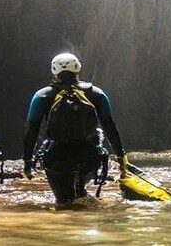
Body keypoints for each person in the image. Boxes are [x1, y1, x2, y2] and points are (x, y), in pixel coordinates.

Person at [22, 52, 126, 208]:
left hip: (57, 158)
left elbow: (32, 130)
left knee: (64, 203)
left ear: (54, 71)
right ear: (78, 69)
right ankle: (85, 216)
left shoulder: (42, 96)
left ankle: (70, 226)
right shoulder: (97, 94)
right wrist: (120, 156)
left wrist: (27, 161)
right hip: (90, 156)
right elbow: (110, 126)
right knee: (79, 193)